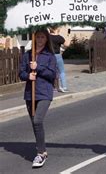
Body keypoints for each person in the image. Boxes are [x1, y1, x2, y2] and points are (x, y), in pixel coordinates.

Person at [19, 29, 57, 168]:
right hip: (30, 93)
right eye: (38, 37)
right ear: (34, 39)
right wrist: (27, 76)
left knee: (37, 120)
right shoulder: (28, 55)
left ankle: (40, 154)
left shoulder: (50, 56)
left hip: (44, 93)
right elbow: (21, 72)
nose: (40, 39)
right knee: (35, 124)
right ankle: (42, 150)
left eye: (42, 37)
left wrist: (38, 67)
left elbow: (52, 74)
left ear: (46, 39)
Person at [49, 27, 68, 92]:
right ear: (57, 29)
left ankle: (53, 88)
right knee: (61, 71)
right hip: (58, 55)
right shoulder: (59, 37)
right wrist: (62, 49)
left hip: (49, 55)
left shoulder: (47, 37)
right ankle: (64, 87)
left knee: (51, 71)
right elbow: (67, 44)